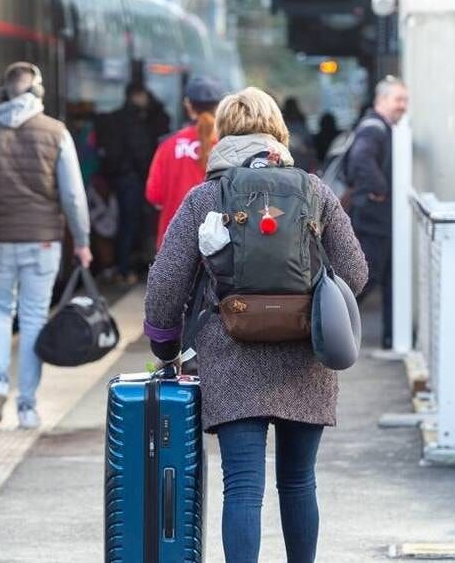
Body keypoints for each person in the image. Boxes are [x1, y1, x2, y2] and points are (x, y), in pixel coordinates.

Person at [143, 87, 367, 562]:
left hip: (230, 354)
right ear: (278, 132)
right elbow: (357, 274)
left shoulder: (206, 196)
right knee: (298, 480)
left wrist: (165, 347)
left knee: (242, 487)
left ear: (223, 132)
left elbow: (165, 285)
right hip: (306, 355)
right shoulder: (314, 192)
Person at [0, 62, 92, 430]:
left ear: (3, 93)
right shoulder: (55, 132)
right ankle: (27, 407)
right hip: (42, 241)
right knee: (32, 319)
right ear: (39, 93)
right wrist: (82, 241)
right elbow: (73, 196)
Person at [344, 75, 410, 349]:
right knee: (366, 277)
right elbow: (360, 159)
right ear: (382, 100)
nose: (403, 106)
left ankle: (391, 336)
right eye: (398, 99)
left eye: (405, 100)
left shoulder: (380, 127)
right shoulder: (374, 129)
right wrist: (380, 188)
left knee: (385, 278)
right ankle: (334, 325)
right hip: (374, 218)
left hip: (378, 218)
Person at [96, 81, 169, 283]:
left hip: (121, 178)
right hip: (133, 179)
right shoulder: (134, 120)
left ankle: (123, 267)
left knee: (126, 223)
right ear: (136, 96)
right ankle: (125, 268)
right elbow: (141, 151)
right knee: (131, 223)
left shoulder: (118, 118)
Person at [144, 76, 226, 248]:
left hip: (173, 242)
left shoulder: (168, 145)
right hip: (219, 242)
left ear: (189, 106)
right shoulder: (228, 146)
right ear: (220, 107)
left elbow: (154, 194)